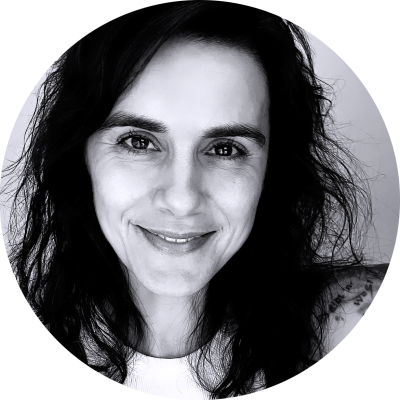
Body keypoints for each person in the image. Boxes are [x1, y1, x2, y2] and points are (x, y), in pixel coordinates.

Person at [1, 1, 388, 398]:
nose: (182, 199)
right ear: (81, 154)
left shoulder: (353, 320)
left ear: (271, 167)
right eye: (138, 142)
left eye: (225, 149)